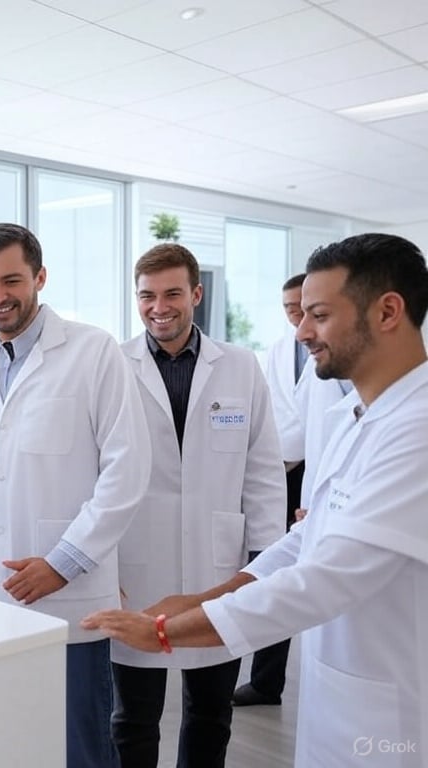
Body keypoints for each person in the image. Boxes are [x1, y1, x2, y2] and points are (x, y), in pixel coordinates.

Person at [84, 233, 428, 768]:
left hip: (390, 710)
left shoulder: (417, 430)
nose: (301, 332)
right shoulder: (349, 417)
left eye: (316, 314)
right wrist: (208, 599)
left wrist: (171, 626)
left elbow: (324, 572)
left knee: (210, 713)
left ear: (387, 311)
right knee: (133, 718)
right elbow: (306, 543)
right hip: (338, 686)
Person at [0, 223, 150, 768]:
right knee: (7, 742)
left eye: (10, 280)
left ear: (40, 276)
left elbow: (127, 470)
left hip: (69, 599)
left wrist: (63, 562)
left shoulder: (93, 351)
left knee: (79, 745)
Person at [113, 243, 284, 767]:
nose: (158, 307)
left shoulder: (239, 365)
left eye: (172, 294)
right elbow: (98, 472)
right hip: (136, 561)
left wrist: (265, 557)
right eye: (147, 296)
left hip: (218, 566)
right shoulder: (114, 366)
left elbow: (262, 467)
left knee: (211, 714)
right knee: (132, 719)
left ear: (196, 294)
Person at [232, 273, 308, 707]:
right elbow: (276, 413)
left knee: (300, 575)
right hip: (279, 469)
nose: (295, 314)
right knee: (272, 570)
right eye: (288, 308)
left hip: (311, 472)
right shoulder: (279, 352)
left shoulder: (335, 349)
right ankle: (266, 680)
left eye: (303, 304)